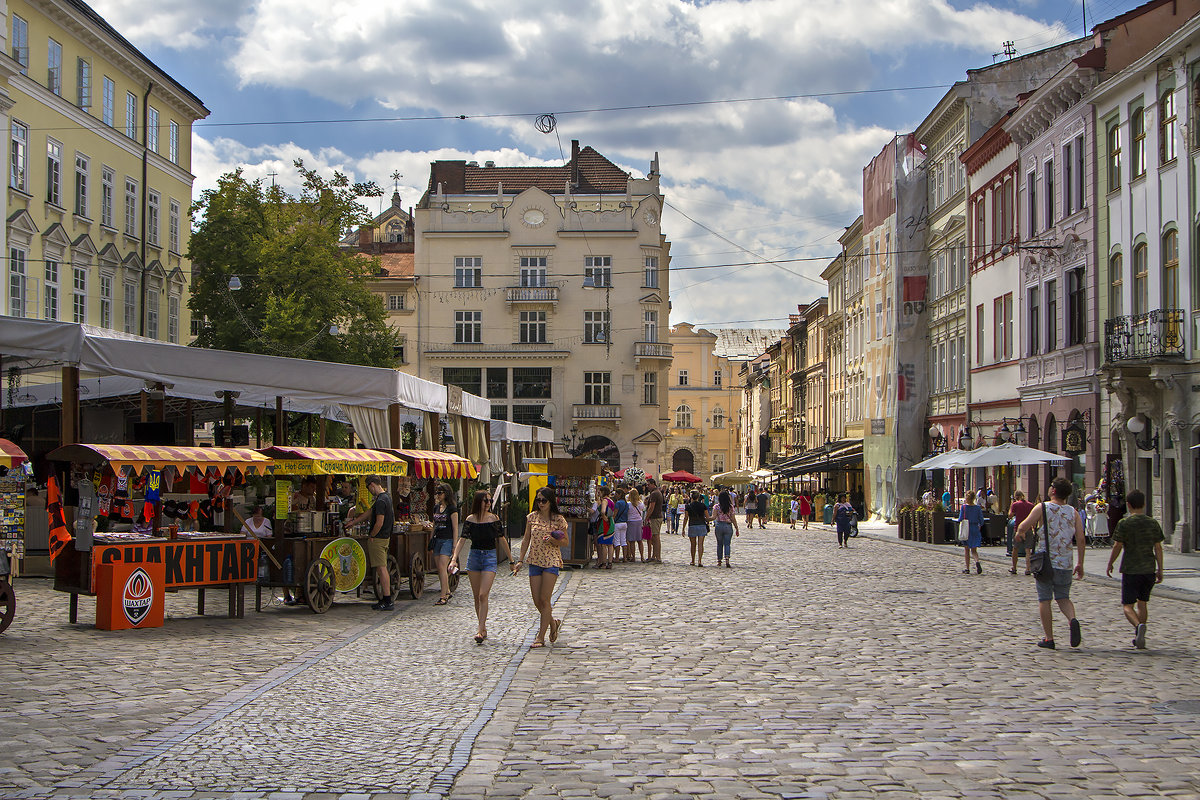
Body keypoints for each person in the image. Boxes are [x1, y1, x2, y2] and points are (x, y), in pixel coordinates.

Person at [1016, 477, 1086, 650]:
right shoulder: (1073, 512)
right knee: (1063, 597)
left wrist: (1019, 533)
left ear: (1053, 491)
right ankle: (1072, 620)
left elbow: (1024, 526)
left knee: (1044, 599)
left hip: (1045, 563)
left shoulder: (1043, 507)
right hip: (1065, 562)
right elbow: (1081, 538)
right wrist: (1081, 563)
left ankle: (1049, 638)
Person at [452, 490, 513, 644]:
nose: (488, 503)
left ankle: (480, 630)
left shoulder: (494, 519)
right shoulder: (470, 519)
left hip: (489, 557)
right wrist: (454, 559)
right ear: (478, 501)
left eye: (490, 501)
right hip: (474, 557)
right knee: (476, 596)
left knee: (482, 594)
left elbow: (501, 539)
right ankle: (482, 627)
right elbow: (462, 539)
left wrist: (512, 560)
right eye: (485, 500)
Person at [1106, 490, 1165, 650]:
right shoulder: (1152, 523)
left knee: (1127, 605)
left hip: (1131, 569)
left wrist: (1111, 562)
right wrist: (1160, 569)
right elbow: (1158, 547)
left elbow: (1117, 545)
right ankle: (1140, 636)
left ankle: (1138, 626)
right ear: (1144, 504)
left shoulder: (1124, 523)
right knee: (1143, 603)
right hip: (1148, 569)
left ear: (1129, 505)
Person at [514, 487, 568, 648]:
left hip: (551, 561)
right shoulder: (532, 518)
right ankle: (553, 622)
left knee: (545, 599)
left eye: (544, 500)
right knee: (537, 601)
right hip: (535, 561)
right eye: (538, 500)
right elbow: (525, 540)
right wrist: (520, 560)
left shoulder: (558, 520)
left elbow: (565, 542)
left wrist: (553, 539)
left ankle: (540, 637)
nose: (541, 503)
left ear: (551, 501)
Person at [364, 476, 395, 611]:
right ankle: (385, 599)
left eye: (368, 488)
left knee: (381, 568)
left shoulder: (381, 500)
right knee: (381, 568)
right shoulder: (386, 498)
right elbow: (370, 512)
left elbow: (379, 522)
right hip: (384, 537)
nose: (369, 491)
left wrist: (372, 535)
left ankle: (387, 599)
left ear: (372, 485)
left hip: (379, 539)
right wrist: (354, 522)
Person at [430, 483, 459, 605]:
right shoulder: (436, 508)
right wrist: (431, 540)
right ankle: (447, 591)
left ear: (446, 494)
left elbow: (455, 528)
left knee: (442, 566)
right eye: (437, 493)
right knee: (440, 568)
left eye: (440, 493)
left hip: (447, 540)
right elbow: (434, 525)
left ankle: (443, 596)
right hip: (437, 539)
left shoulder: (452, 509)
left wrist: (454, 546)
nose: (438, 495)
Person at [1007, 490, 1034, 575]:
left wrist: (1011, 505)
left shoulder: (1015, 504)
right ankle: (1028, 569)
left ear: (1016, 497)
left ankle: (1014, 568)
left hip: (1018, 529)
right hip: (1028, 529)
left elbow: (1010, 515)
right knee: (1028, 550)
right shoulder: (1031, 505)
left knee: (1015, 549)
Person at [957, 490, 984, 574]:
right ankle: (977, 561)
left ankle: (967, 568)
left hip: (966, 529)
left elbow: (960, 518)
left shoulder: (964, 507)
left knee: (966, 550)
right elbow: (982, 521)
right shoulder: (978, 508)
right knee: (974, 550)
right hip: (975, 528)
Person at [684, 490, 711, 566]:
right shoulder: (703, 506)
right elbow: (707, 517)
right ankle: (699, 560)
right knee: (700, 544)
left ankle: (693, 560)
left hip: (692, 525)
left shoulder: (688, 506)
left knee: (693, 544)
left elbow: (686, 518)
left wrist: (683, 528)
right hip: (701, 525)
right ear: (698, 497)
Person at [712, 489, 739, 567]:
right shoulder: (730, 507)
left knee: (719, 544)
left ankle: (719, 560)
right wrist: (736, 528)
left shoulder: (716, 506)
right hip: (728, 526)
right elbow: (733, 518)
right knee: (727, 544)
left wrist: (706, 519)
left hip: (719, 525)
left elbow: (713, 517)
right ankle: (727, 559)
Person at [594, 485, 615, 569]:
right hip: (611, 522)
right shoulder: (611, 500)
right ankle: (610, 562)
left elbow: (603, 511)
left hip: (604, 523)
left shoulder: (605, 501)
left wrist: (604, 517)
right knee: (610, 544)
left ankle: (603, 563)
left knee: (603, 544)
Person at [645, 478, 664, 564]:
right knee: (653, 537)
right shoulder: (657, 492)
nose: (647, 486)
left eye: (648, 485)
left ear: (653, 484)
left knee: (656, 537)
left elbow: (651, 507)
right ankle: (654, 555)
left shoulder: (654, 494)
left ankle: (658, 557)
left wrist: (646, 517)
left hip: (655, 517)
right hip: (657, 517)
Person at [626, 488, 646, 563]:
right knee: (639, 540)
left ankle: (633, 556)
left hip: (631, 521)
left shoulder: (628, 504)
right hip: (639, 521)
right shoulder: (640, 503)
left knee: (632, 541)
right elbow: (643, 510)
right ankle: (642, 556)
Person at [612, 487, 629, 563]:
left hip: (618, 523)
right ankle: (625, 557)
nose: (615, 495)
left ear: (619, 494)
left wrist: (612, 520)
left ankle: (617, 558)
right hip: (624, 523)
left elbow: (615, 514)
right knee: (624, 541)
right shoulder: (626, 503)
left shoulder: (618, 503)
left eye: (616, 494)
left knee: (617, 541)